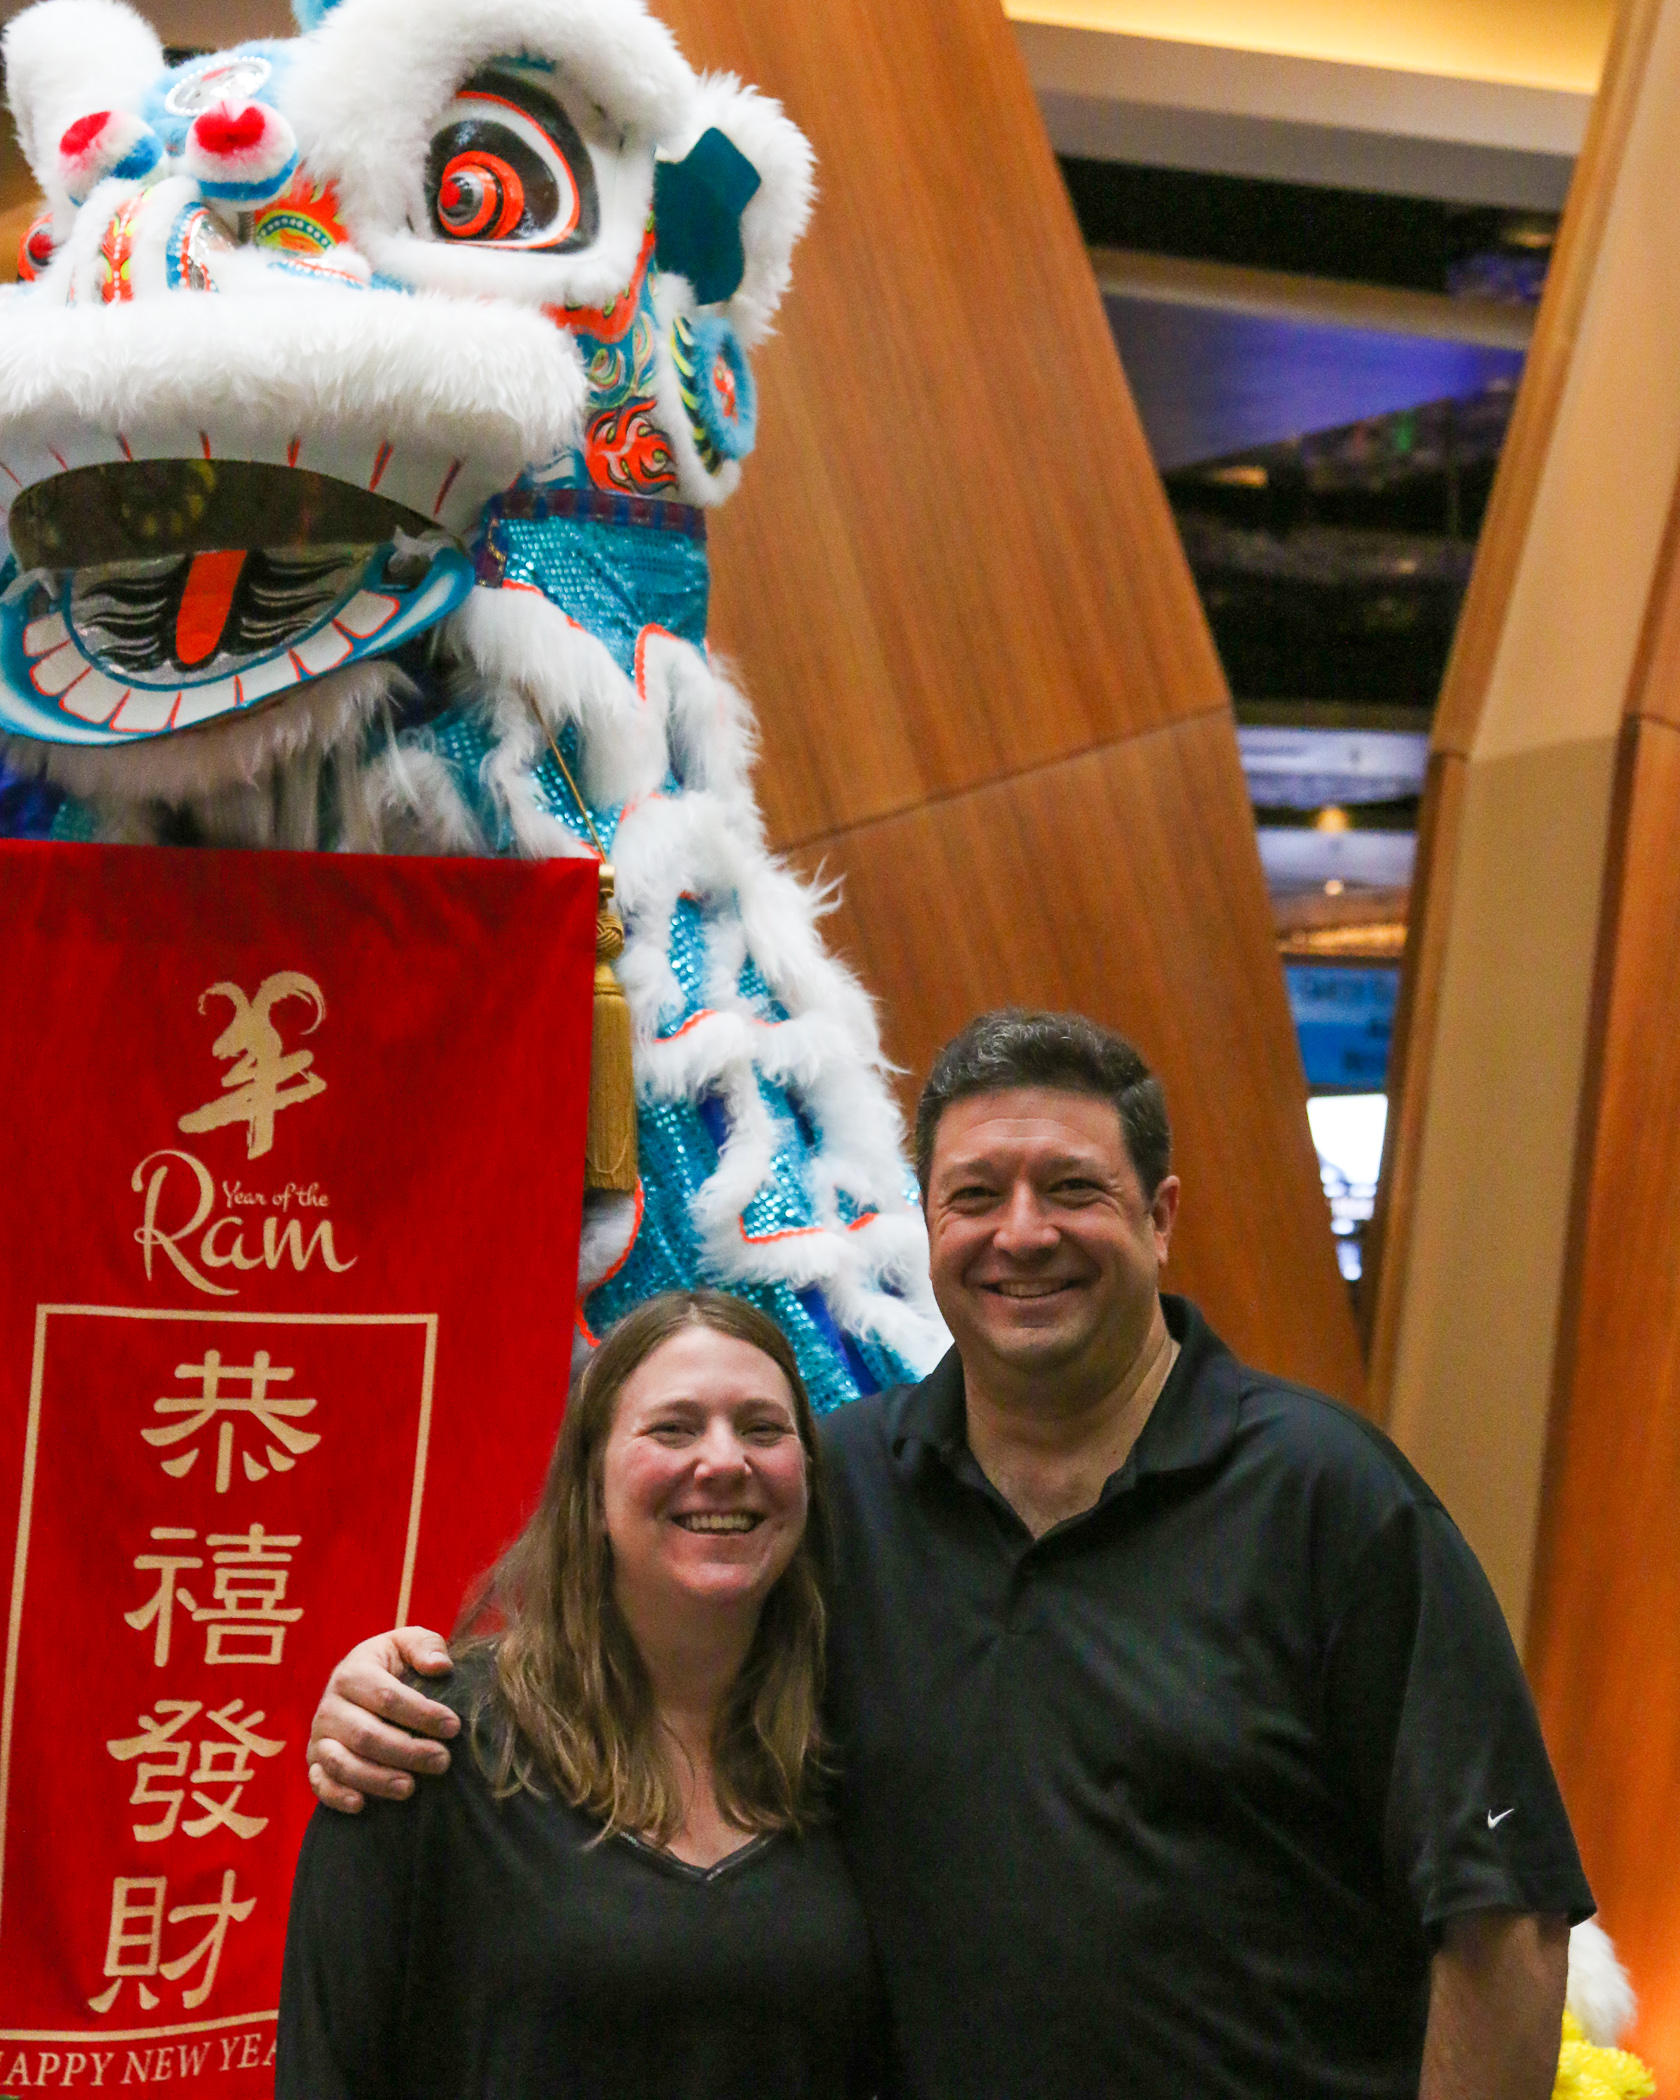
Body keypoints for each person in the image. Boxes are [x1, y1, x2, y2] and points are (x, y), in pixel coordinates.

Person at [307, 1010, 1594, 2100]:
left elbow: (1503, 1901)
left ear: (1160, 1218)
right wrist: (388, 1693)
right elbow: (642, 1645)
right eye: (975, 1196)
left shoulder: (1331, 1502)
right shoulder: (841, 1494)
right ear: (925, 1225)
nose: (1020, 1234)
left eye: (1073, 1189)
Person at [279, 1289, 883, 2100]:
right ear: (589, 1487)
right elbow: (328, 2071)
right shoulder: (423, 1741)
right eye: (673, 1429)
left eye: (763, 1429)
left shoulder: (862, 1740)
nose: (724, 1461)